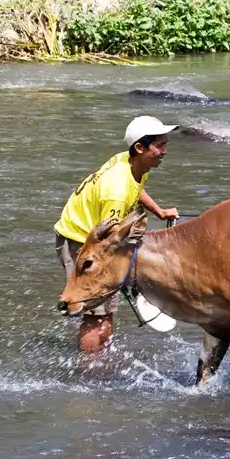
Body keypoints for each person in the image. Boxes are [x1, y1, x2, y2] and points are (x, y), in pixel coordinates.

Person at [54, 115, 180, 353]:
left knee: (107, 310)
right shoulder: (117, 192)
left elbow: (137, 187)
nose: (165, 151)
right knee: (96, 314)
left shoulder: (129, 163)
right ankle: (90, 373)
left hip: (90, 235)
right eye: (160, 146)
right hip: (80, 242)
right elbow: (109, 240)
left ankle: (100, 358)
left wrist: (159, 211)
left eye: (166, 144)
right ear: (140, 147)